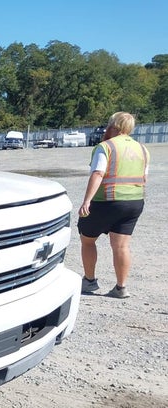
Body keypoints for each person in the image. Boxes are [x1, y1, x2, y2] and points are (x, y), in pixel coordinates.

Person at [78, 112, 150, 298]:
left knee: (87, 240)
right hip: (134, 202)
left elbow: (97, 174)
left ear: (113, 126)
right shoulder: (142, 149)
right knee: (121, 246)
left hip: (106, 201)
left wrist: (87, 201)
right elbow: (145, 176)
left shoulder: (106, 147)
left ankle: (89, 281)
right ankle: (121, 287)